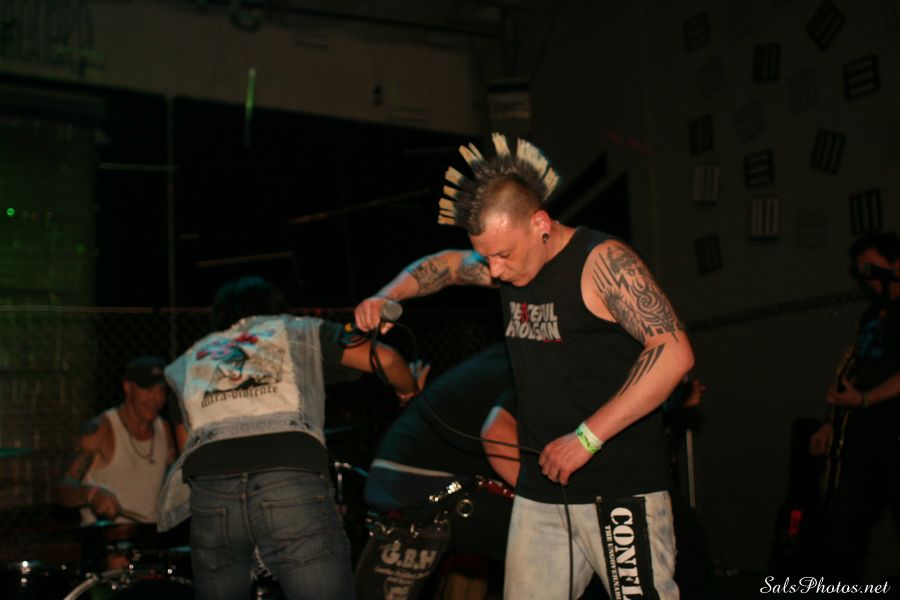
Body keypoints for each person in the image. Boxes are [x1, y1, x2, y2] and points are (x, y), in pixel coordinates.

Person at [355, 134, 694, 600]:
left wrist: (586, 438)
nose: (494, 271)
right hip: (542, 492)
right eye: (487, 256)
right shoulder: (512, 268)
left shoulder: (601, 262)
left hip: (620, 489)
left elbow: (673, 352)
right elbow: (448, 265)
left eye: (503, 255)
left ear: (540, 224)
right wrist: (386, 296)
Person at [157, 276, 426, 600]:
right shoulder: (301, 330)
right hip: (289, 479)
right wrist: (409, 393)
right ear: (276, 308)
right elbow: (387, 359)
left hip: (212, 493)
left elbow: (186, 447)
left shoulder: (188, 360)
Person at [354, 342, 518, 600]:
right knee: (547, 532)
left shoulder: (491, 362)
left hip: (400, 479)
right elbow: (497, 435)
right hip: (435, 486)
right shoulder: (524, 366)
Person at [809, 231, 900, 584]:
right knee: (846, 527)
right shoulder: (872, 315)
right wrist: (830, 422)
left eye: (872, 267)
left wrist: (866, 399)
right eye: (861, 271)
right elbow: (851, 370)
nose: (867, 277)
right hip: (863, 437)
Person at [56, 355, 175, 526]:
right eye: (148, 390)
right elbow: (62, 490)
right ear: (127, 387)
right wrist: (92, 494)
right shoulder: (99, 431)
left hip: (149, 536)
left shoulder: (164, 429)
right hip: (104, 538)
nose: (156, 399)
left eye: (161, 390)